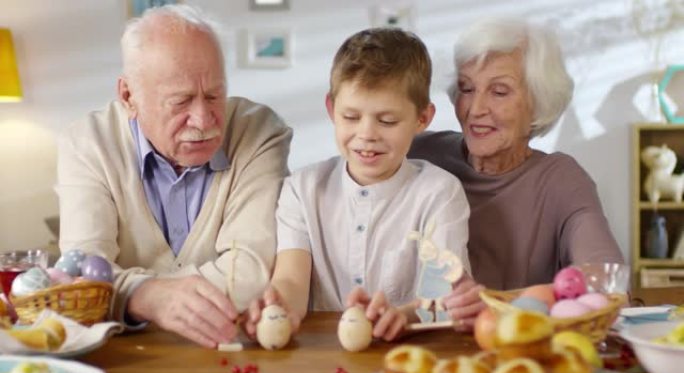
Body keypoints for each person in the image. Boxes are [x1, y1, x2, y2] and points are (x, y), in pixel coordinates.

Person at [56, 4, 292, 348]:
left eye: (214, 96)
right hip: (124, 358)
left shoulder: (260, 132)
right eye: (180, 102)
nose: (203, 119)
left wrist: (125, 291)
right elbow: (80, 280)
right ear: (128, 96)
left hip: (231, 349)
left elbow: (251, 274)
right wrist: (147, 297)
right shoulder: (86, 144)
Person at [244, 28, 474, 342]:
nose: (366, 134)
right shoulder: (301, 189)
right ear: (331, 109)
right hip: (325, 357)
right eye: (351, 116)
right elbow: (292, 280)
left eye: (387, 121)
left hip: (410, 352)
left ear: (422, 119)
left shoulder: (440, 193)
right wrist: (279, 302)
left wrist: (402, 316)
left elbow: (446, 296)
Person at [409, 18, 624, 324]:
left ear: (538, 102)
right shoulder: (420, 155)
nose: (475, 109)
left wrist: (498, 307)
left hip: (517, 347)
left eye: (499, 92)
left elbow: (607, 282)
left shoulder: (560, 180)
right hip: (420, 342)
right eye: (467, 88)